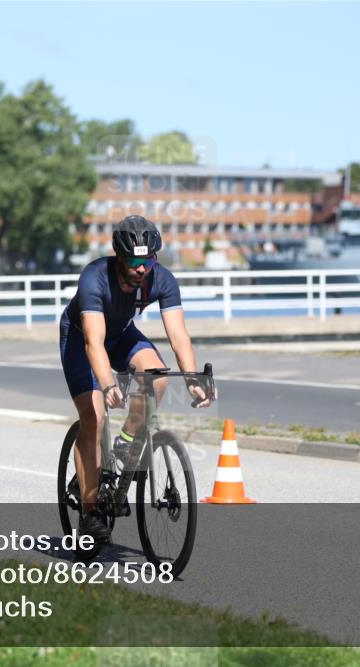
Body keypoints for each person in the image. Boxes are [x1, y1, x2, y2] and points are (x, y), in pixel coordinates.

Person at [59, 215, 213, 542]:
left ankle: (124, 445)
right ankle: (90, 513)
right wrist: (108, 383)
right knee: (96, 418)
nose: (143, 268)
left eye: (149, 260)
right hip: (81, 339)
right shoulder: (94, 278)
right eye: (135, 261)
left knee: (157, 378)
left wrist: (192, 379)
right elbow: (93, 343)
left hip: (122, 334)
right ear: (119, 257)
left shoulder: (162, 279)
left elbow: (179, 336)